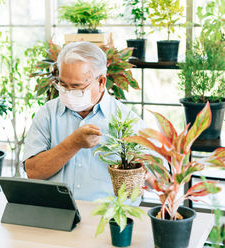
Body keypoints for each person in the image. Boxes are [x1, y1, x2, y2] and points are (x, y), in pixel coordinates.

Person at [23, 41, 145, 201]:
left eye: (77, 87)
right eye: (63, 84)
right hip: (55, 212)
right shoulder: (48, 113)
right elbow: (33, 172)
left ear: (101, 82)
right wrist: (74, 143)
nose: (68, 92)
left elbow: (149, 177)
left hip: (106, 217)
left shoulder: (127, 120)